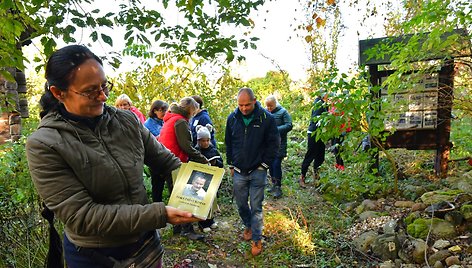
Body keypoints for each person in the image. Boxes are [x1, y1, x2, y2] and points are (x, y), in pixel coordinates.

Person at [25, 45, 197, 267]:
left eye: (104, 86)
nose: (103, 96)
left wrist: (199, 188)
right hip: (96, 255)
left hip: (145, 243)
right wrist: (159, 214)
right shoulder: (44, 144)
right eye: (90, 91)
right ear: (59, 93)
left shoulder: (126, 121)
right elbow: (83, 217)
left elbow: (166, 161)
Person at [225, 87, 279, 256]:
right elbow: (229, 142)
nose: (244, 108)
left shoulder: (266, 118)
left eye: (247, 105)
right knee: (241, 204)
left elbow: (274, 143)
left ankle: (257, 238)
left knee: (256, 207)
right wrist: (231, 164)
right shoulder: (232, 118)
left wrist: (264, 165)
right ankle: (248, 225)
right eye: (240, 105)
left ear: (255, 101)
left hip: (258, 170)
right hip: (239, 171)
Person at [158, 97, 209, 240]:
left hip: (166, 161)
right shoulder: (180, 121)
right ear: (190, 110)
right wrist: (203, 159)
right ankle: (187, 230)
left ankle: (177, 227)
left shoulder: (171, 118)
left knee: (175, 195)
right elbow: (186, 146)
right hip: (174, 162)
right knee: (184, 196)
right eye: (194, 110)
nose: (194, 113)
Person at [194, 124, 223, 233]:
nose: (205, 143)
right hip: (201, 182)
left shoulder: (213, 150)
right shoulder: (196, 152)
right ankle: (202, 223)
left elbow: (221, 165)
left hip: (212, 181)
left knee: (211, 201)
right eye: (203, 141)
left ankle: (211, 220)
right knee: (202, 202)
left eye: (207, 140)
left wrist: (216, 163)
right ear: (198, 141)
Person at [264, 95, 293, 198]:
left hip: (280, 144)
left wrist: (276, 130)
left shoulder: (283, 112)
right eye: (267, 106)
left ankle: (278, 187)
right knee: (271, 165)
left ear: (275, 103)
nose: (269, 108)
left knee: (276, 164)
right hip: (268, 145)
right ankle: (273, 184)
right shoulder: (265, 112)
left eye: (271, 106)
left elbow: (289, 125)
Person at [300, 92, 328, 188]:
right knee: (311, 155)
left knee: (320, 156)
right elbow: (316, 119)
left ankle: (316, 176)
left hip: (321, 134)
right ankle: (302, 177)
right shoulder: (319, 104)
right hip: (314, 133)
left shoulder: (323, 103)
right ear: (323, 94)